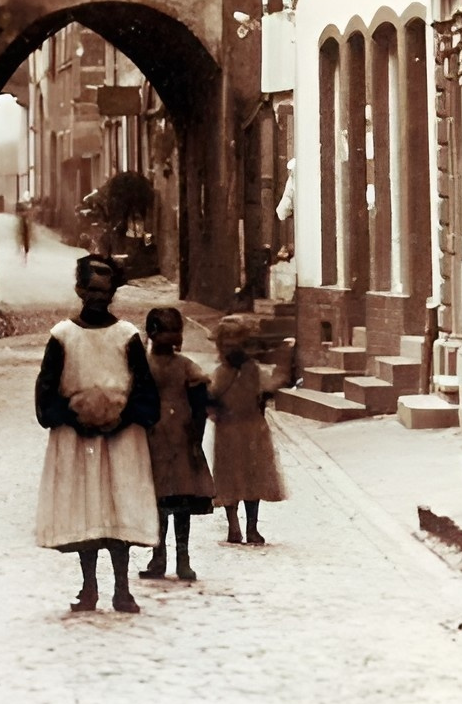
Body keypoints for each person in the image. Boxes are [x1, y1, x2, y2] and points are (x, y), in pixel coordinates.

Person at [33, 253, 159, 614]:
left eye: (105, 291)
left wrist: (122, 417)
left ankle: (122, 588)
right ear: (79, 290)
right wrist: (74, 418)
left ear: (113, 293)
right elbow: (46, 391)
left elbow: (145, 390)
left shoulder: (127, 336)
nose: (98, 298)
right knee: (87, 513)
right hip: (77, 440)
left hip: (121, 439)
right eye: (91, 290)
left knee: (118, 506)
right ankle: (89, 587)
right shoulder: (63, 336)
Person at [138, 306, 213, 584]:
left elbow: (200, 404)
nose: (173, 337)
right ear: (152, 333)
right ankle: (159, 556)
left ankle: (184, 557)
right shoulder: (143, 366)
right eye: (166, 331)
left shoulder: (186, 366)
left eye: (176, 331)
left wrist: (196, 438)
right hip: (153, 441)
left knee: (181, 502)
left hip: (181, 441)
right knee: (157, 503)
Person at [208, 313, 287, 546]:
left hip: (252, 430)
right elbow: (211, 397)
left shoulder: (252, 370)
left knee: (254, 478)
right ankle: (234, 525)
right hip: (230, 431)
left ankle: (251, 526)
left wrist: (279, 379)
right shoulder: (221, 373)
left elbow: (265, 390)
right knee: (229, 479)